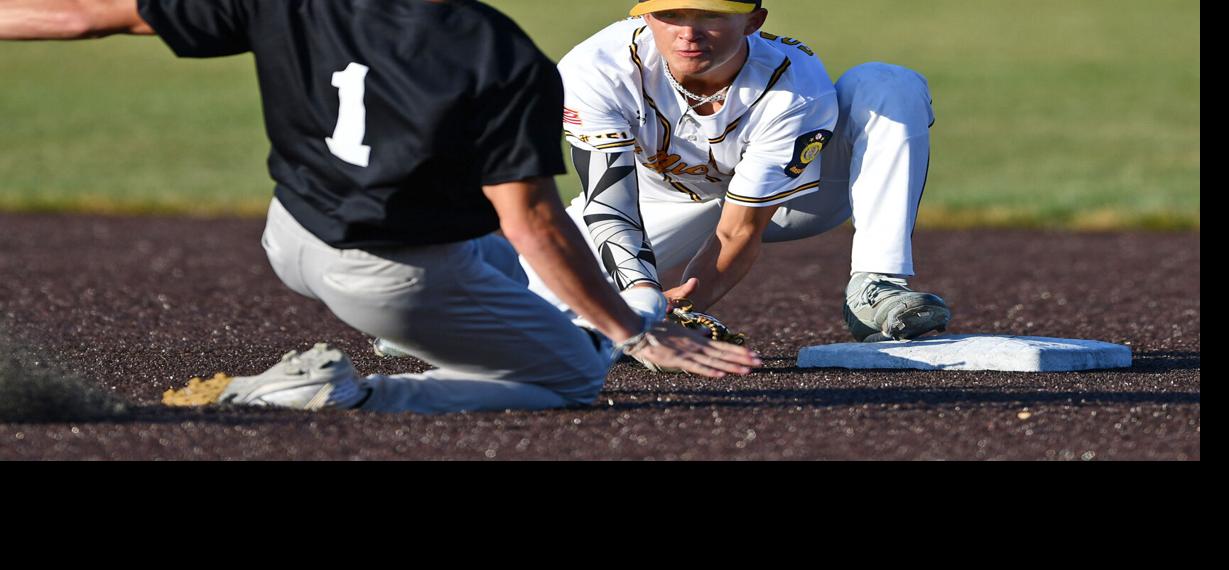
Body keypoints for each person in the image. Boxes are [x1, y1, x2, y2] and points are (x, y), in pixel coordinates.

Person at [0, 0, 761, 413]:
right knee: (574, 377)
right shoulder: (496, 52)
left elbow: (82, 15)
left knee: (490, 265)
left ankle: (462, 331)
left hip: (291, 233)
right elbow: (532, 221)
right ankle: (345, 394)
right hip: (392, 278)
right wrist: (630, 329)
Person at [521, 1, 951, 349]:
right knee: (522, 307)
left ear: (753, 21)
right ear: (645, 16)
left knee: (887, 83)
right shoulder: (596, 68)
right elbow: (609, 203)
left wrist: (683, 307)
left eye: (710, 14)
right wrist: (645, 302)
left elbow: (737, 232)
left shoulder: (795, 84)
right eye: (670, 15)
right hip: (655, 205)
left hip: (797, 197)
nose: (687, 33)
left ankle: (877, 284)